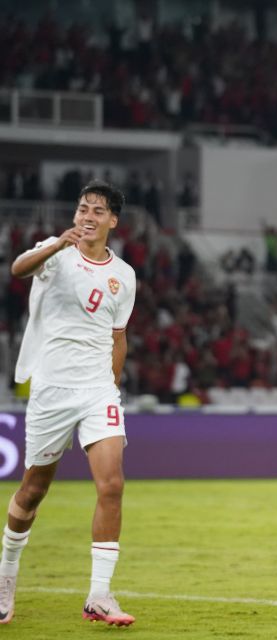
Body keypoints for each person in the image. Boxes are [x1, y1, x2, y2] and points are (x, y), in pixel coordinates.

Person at [0, 181, 137, 626]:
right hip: (53, 390)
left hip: (97, 389)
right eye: (83, 208)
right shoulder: (55, 251)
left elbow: (119, 338)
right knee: (33, 489)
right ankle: (6, 577)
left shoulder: (125, 276)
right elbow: (18, 269)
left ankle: (99, 595)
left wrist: (111, 386)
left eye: (98, 210)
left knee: (112, 484)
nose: (88, 216)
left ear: (112, 221)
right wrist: (57, 243)